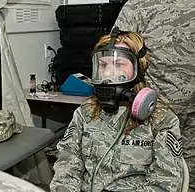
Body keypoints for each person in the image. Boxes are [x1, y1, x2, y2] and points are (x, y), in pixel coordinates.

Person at [50, 28, 184, 192]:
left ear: (138, 68)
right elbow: (67, 165)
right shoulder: (85, 112)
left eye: (118, 64)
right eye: (103, 64)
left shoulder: (161, 119)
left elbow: (165, 183)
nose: (108, 73)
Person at [113, 0, 195, 191]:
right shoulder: (138, 5)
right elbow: (116, 54)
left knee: (187, 177)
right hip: (150, 114)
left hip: (189, 116)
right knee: (148, 175)